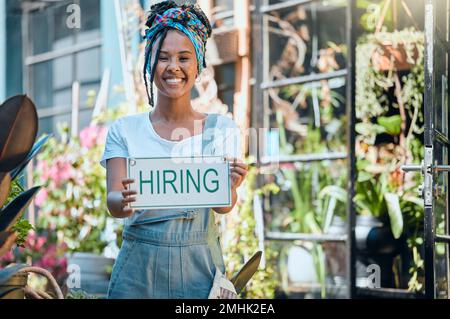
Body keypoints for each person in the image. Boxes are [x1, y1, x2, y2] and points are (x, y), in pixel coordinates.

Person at [100, 1, 248, 299]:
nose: (174, 67)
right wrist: (123, 200)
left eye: (184, 57)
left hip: (200, 269)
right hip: (138, 271)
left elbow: (224, 205)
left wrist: (232, 185)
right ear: (150, 63)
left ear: (198, 65)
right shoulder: (124, 130)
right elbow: (114, 201)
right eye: (163, 57)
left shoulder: (222, 129)